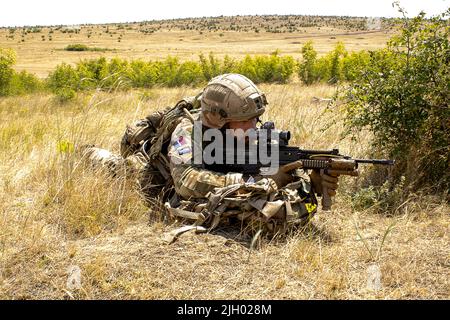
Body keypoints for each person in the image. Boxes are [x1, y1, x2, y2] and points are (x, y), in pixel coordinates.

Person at [82, 73, 340, 236]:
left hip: (200, 169)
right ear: (219, 119)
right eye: (246, 121)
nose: (254, 128)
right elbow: (186, 182)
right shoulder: (188, 129)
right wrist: (252, 182)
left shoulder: (241, 131)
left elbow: (257, 166)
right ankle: (88, 151)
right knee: (119, 169)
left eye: (256, 120)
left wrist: (305, 181)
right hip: (156, 175)